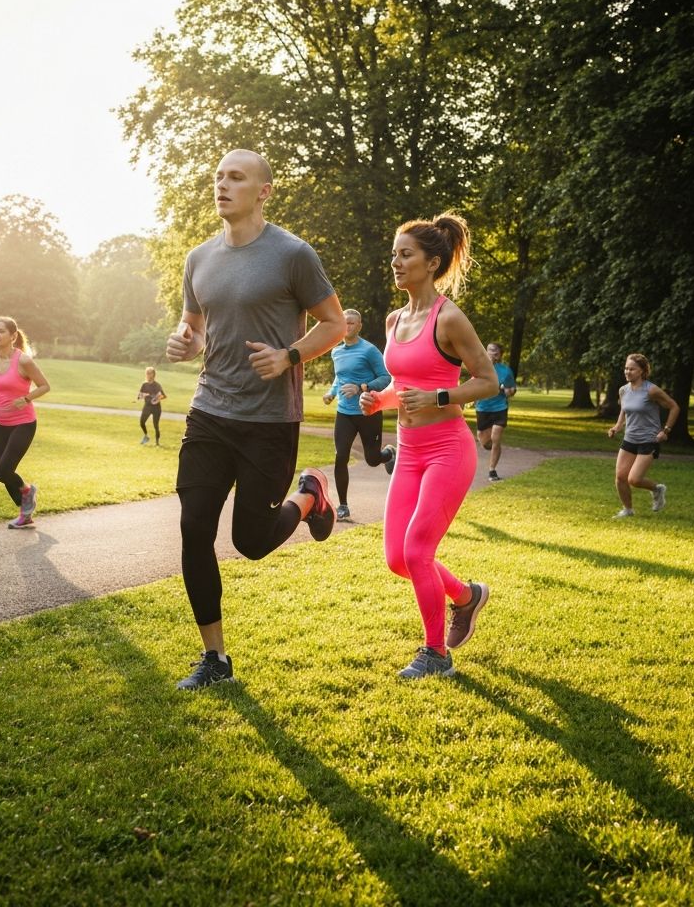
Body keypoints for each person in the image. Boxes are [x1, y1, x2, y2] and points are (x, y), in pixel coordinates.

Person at [166, 148, 346, 691]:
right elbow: (194, 324)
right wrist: (185, 339)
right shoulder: (198, 258)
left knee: (251, 541)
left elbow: (334, 323)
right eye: (218, 175)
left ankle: (310, 494)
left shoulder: (292, 254)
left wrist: (290, 356)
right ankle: (215, 659)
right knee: (194, 526)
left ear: (263, 191)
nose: (222, 184)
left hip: (269, 420)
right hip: (210, 411)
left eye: (236, 177)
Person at [359, 213, 499, 680]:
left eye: (405, 254)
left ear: (431, 262)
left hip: (448, 449)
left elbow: (488, 382)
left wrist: (440, 396)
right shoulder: (395, 319)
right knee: (398, 559)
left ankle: (436, 654)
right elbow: (403, 383)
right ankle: (466, 595)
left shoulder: (450, 317)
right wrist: (379, 399)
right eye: (394, 254)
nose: (396, 262)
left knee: (418, 551)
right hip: (410, 450)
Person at [0, 317, 51, 529]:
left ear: (13, 336)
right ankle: (26, 511)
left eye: (1, 331)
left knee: (6, 469)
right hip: (1, 422)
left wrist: (26, 398)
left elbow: (44, 386)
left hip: (24, 422)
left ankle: (26, 492)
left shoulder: (23, 361)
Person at [322, 309, 395, 520]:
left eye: (352, 323)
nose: (347, 327)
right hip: (344, 413)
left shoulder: (369, 351)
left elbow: (385, 377)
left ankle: (388, 454)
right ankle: (343, 505)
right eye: (344, 323)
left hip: (368, 411)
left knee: (372, 459)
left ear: (359, 326)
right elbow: (340, 378)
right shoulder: (336, 351)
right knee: (340, 456)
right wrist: (331, 392)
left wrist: (361, 387)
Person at [606, 353, 679, 518]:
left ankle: (657, 489)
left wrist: (666, 430)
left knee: (634, 479)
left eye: (632, 369)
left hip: (649, 440)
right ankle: (628, 510)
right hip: (629, 438)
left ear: (642, 371)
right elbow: (624, 409)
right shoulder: (623, 390)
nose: (627, 371)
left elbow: (674, 407)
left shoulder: (651, 390)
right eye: (626, 368)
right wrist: (617, 426)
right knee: (620, 477)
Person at [474, 342, 517, 481]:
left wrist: (507, 391)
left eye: (496, 351)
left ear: (499, 355)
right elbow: (472, 384)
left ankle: (492, 470)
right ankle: (492, 446)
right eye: (490, 350)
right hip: (483, 408)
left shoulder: (505, 371)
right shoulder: (479, 368)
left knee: (496, 437)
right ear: (486, 352)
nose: (493, 353)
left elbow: (512, 390)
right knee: (484, 440)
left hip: (500, 408)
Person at [136, 367, 167, 446]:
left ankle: (157, 443)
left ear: (154, 375)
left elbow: (163, 396)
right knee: (142, 422)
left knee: (155, 425)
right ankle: (146, 436)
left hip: (156, 408)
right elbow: (139, 396)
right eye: (147, 373)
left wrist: (157, 398)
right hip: (147, 406)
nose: (149, 375)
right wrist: (144, 395)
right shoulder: (144, 384)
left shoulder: (157, 385)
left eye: (150, 373)